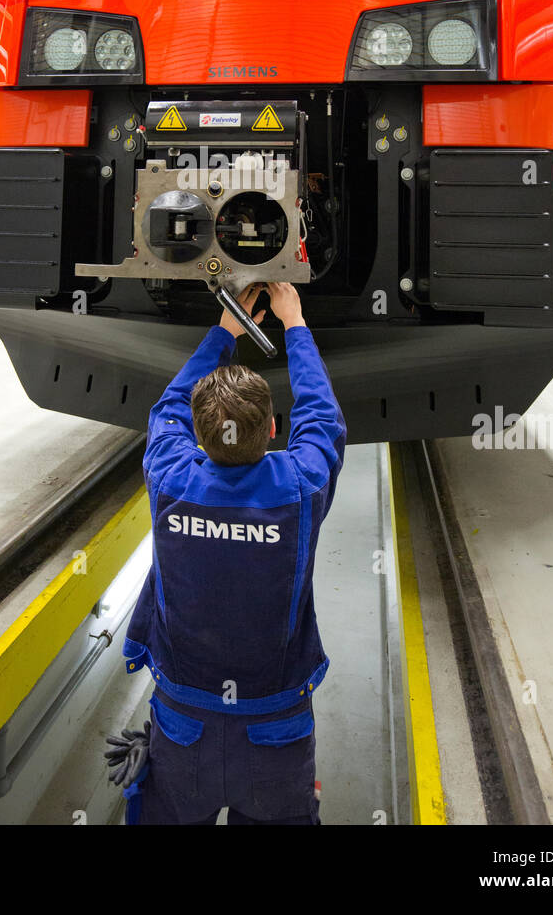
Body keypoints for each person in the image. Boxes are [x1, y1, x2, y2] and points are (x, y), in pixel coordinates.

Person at [119, 280, 346, 825]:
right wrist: (294, 322)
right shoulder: (300, 485)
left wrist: (226, 329)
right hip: (276, 731)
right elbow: (322, 416)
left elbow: (169, 404)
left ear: (198, 436)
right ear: (273, 431)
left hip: (183, 726)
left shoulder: (171, 478)